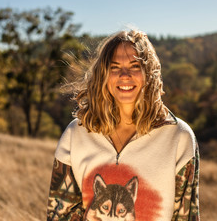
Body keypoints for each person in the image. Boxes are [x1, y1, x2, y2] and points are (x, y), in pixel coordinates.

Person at [46, 29, 200, 221]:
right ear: (103, 74)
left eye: (135, 66)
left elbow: (186, 217)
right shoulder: (76, 134)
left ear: (149, 74)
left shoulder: (179, 137)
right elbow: (59, 215)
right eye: (115, 67)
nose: (124, 75)